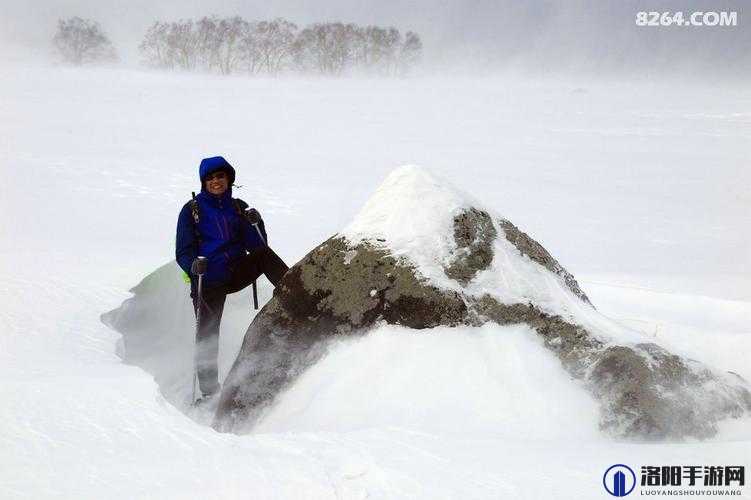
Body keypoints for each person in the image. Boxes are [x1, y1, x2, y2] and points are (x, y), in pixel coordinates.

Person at [176, 156, 289, 400]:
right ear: (204, 182)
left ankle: (293, 290)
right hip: (207, 278)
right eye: (211, 178)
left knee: (264, 256)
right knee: (207, 336)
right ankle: (209, 394)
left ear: (229, 179)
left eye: (220, 176)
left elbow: (258, 246)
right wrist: (193, 266)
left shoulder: (238, 207)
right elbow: (182, 252)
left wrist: (257, 223)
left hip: (235, 271)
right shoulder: (191, 211)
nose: (216, 181)